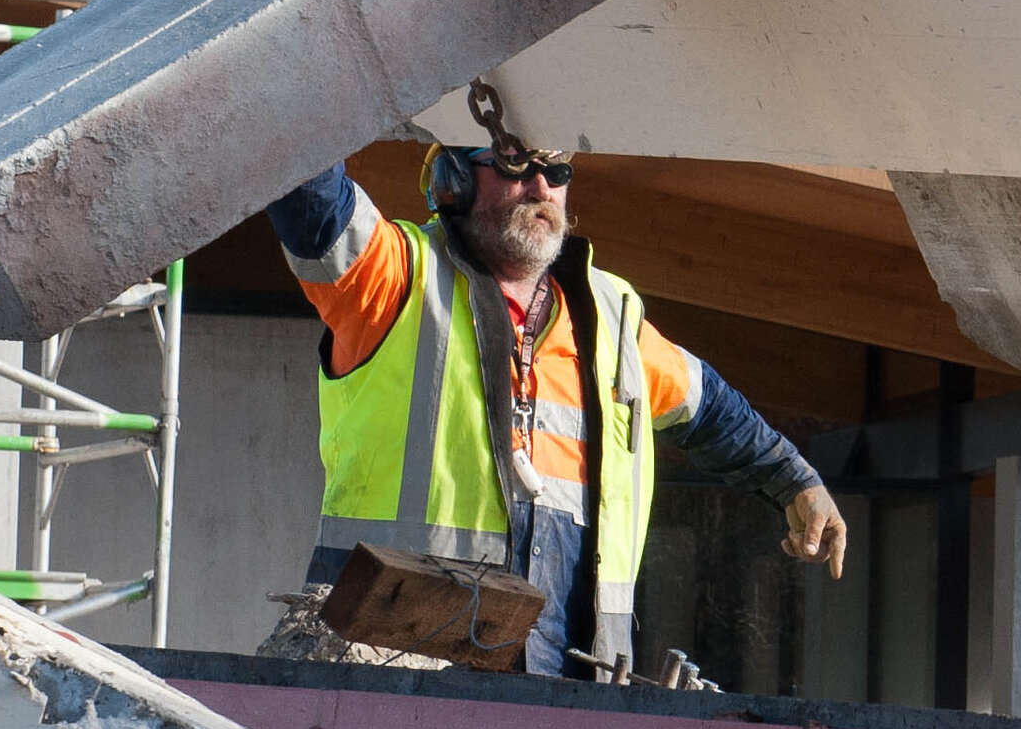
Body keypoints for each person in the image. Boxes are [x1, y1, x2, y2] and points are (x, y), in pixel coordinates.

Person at [264, 119, 845, 678]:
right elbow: (307, 190)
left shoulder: (612, 314)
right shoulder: (396, 278)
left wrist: (795, 481)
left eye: (557, 169)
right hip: (392, 661)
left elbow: (711, 409)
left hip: (573, 679)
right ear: (454, 182)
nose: (541, 187)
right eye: (516, 163)